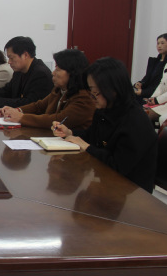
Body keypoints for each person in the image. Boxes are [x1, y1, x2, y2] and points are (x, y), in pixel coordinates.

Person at [52, 57, 157, 193]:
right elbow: (92, 135)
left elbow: (118, 166)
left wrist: (87, 147)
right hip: (105, 181)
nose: (92, 98)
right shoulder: (105, 109)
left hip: (132, 191)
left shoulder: (135, 121)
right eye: (91, 91)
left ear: (114, 89)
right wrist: (70, 133)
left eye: (96, 93)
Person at [0, 49, 94, 130]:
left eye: (58, 69)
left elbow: (58, 119)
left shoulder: (84, 98)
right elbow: (39, 106)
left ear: (73, 73)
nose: (53, 73)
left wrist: (21, 117)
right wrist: (17, 110)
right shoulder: (59, 90)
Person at [0, 36, 53, 109]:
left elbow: (29, 103)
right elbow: (7, 90)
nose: (9, 62)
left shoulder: (41, 74)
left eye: (11, 58)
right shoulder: (19, 70)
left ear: (25, 55)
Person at [134, 33, 167, 101]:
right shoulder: (156, 61)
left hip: (156, 95)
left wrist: (143, 92)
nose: (159, 46)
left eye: (162, 43)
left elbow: (161, 84)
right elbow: (147, 78)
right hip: (146, 91)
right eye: (158, 43)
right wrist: (140, 83)